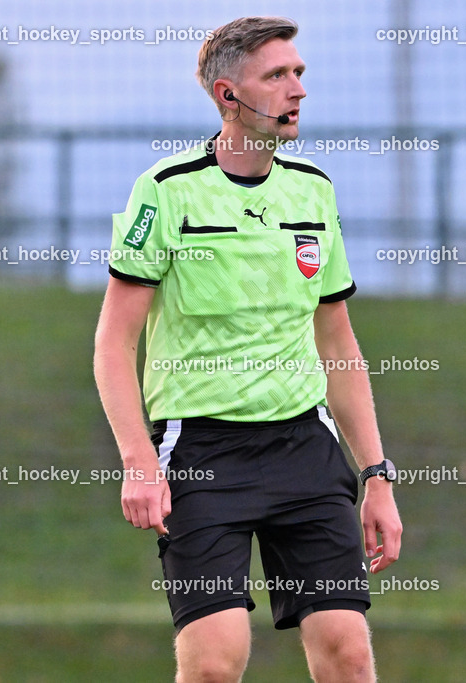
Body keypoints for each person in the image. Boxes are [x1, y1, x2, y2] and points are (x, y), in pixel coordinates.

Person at [94, 16, 402, 683]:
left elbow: (337, 340)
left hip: (305, 451)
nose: (297, 90)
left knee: (349, 655)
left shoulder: (313, 190)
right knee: (214, 664)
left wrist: (375, 473)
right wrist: (138, 461)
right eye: (277, 76)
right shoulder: (167, 191)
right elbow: (113, 342)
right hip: (203, 456)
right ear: (228, 95)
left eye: (299, 74)